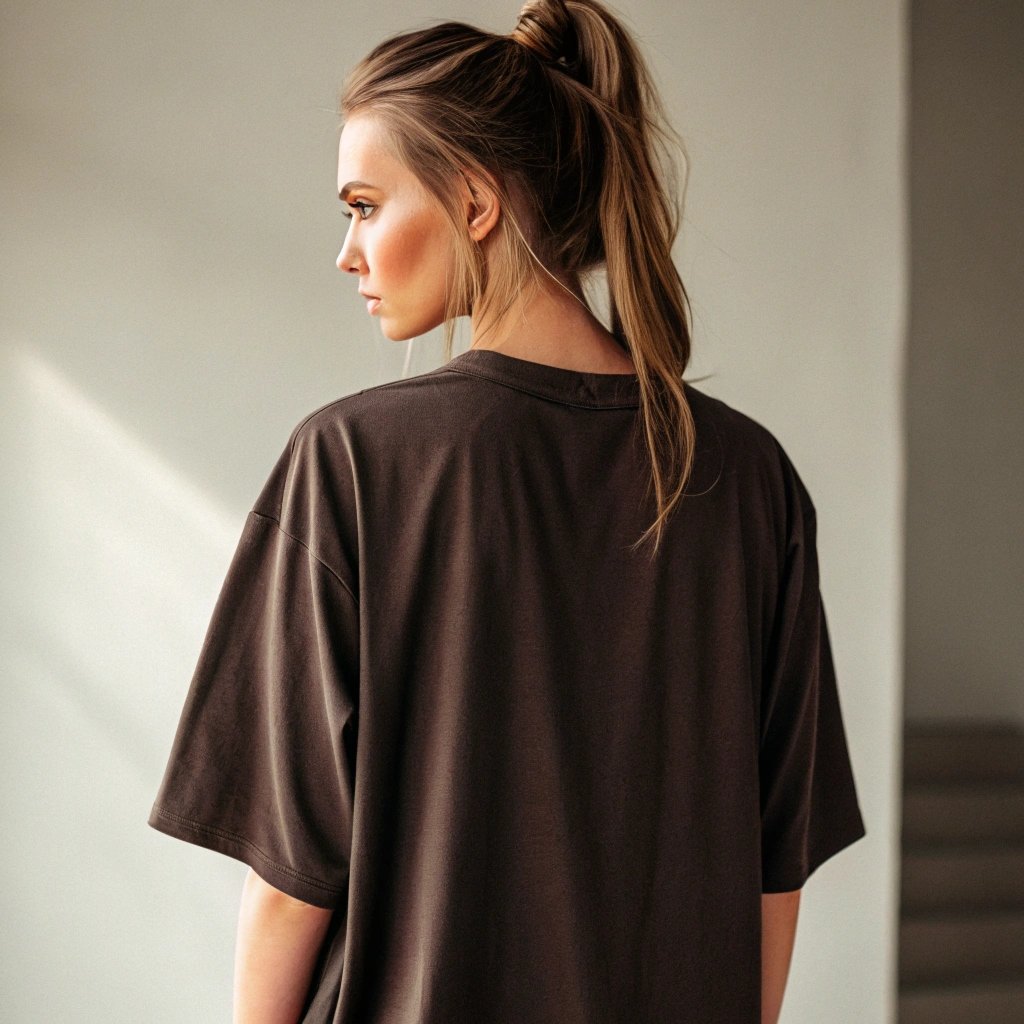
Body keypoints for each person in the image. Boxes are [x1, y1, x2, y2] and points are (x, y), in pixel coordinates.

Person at [147, 1, 867, 1021]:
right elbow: (773, 872)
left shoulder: (353, 461)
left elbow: (290, 882)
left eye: (364, 205)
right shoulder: (749, 479)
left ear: (476, 200)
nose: (348, 251)